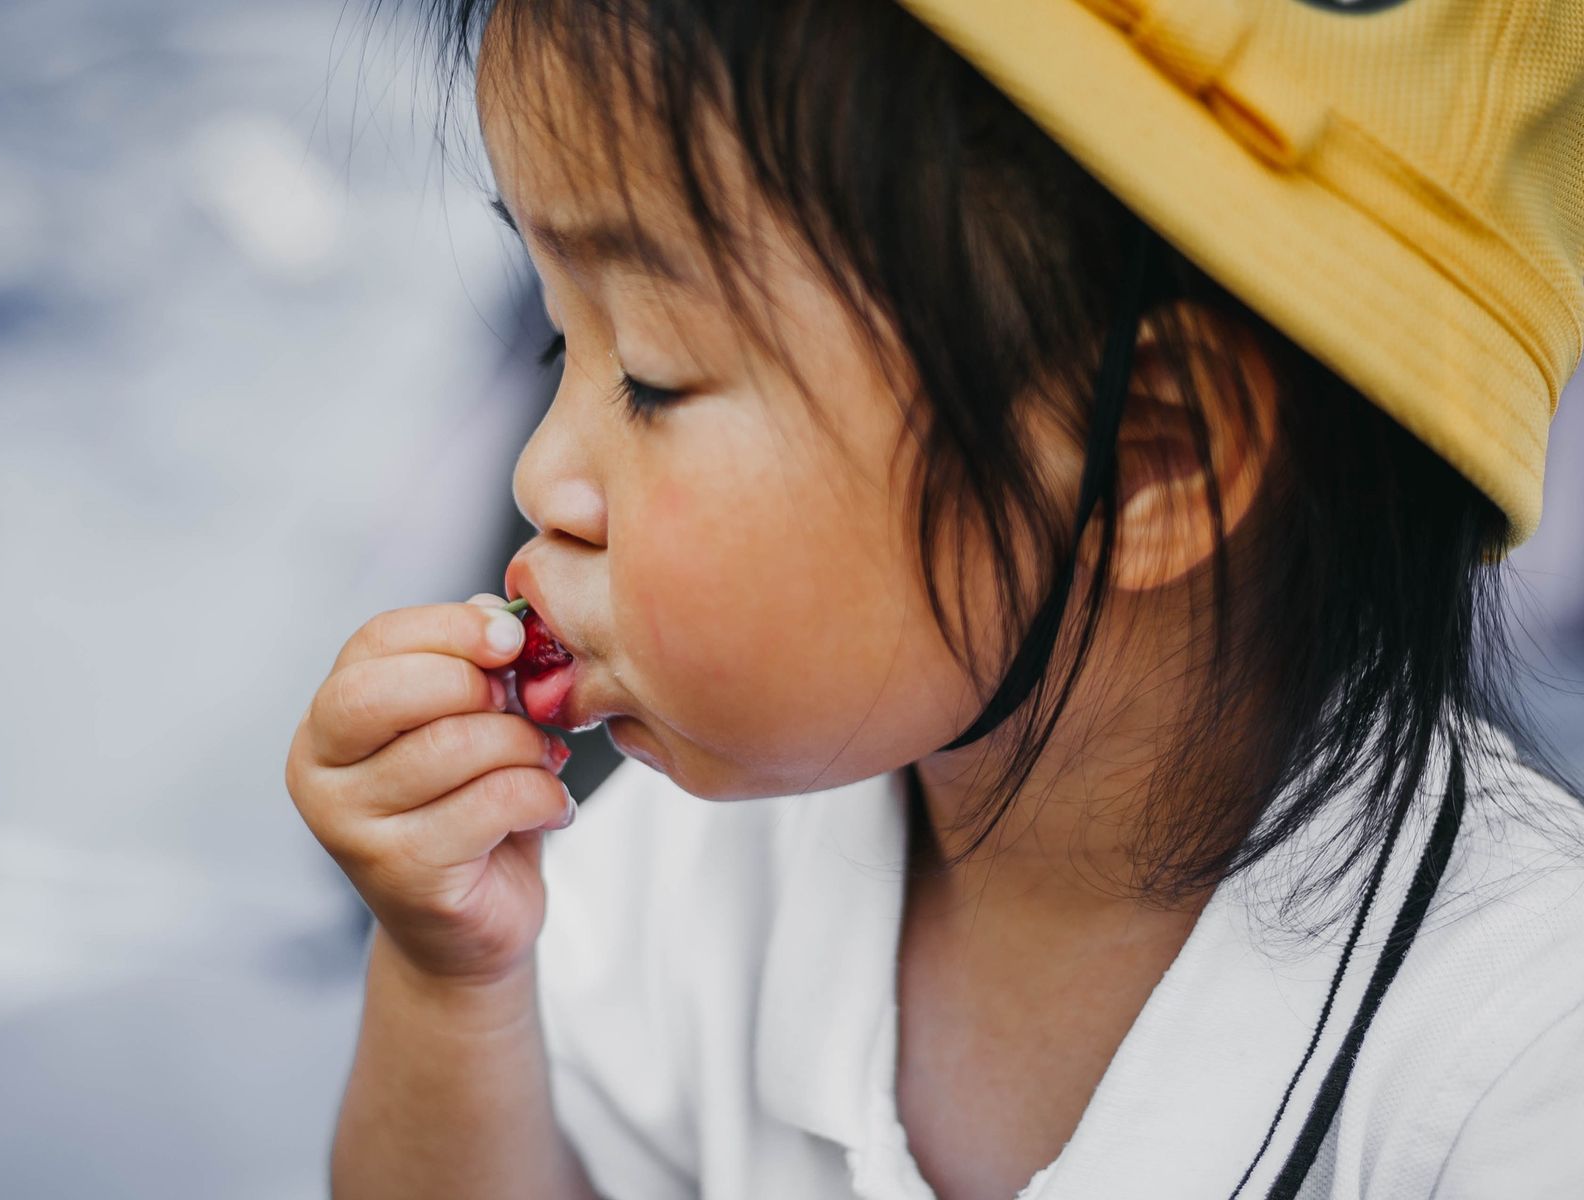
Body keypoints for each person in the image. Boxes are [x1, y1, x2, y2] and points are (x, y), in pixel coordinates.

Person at [284, 1, 1584, 1196]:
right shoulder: (694, 868)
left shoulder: (1519, 1064)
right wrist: (454, 983)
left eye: (657, 377)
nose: (539, 474)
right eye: (561, 343)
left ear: (1151, 455)